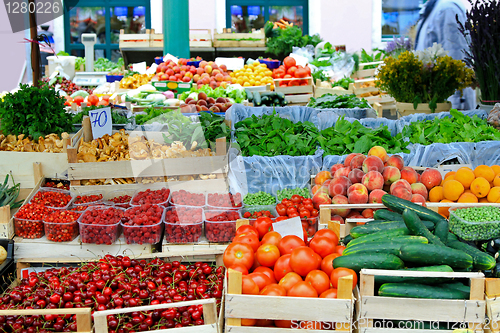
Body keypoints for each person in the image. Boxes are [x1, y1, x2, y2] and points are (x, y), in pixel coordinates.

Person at [414, 0, 476, 110]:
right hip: (437, 102)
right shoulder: (434, 8)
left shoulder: (448, 9)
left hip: (449, 106)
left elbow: (456, 60)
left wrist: (455, 108)